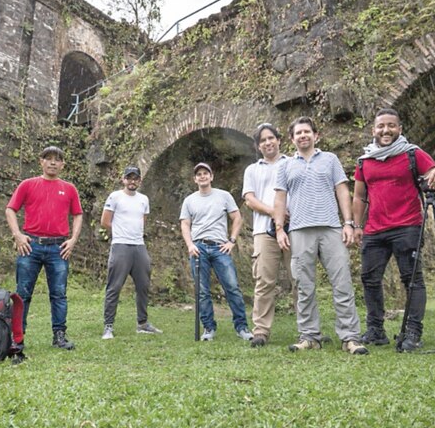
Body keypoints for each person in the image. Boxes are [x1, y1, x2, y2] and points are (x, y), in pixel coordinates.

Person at [352, 108, 435, 351]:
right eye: (381, 126)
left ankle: (412, 332)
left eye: (391, 126)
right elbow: (358, 196)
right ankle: (376, 330)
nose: (386, 130)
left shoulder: (412, 154)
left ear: (400, 129)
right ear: (373, 130)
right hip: (374, 230)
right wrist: (356, 225)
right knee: (370, 279)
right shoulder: (365, 161)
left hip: (407, 226)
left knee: (412, 280)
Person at [273, 117, 368, 355]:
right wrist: (279, 228)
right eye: (298, 133)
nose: (303, 136)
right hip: (299, 230)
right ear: (292, 139)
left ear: (316, 135)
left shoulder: (330, 160)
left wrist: (348, 223)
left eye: (307, 132)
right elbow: (280, 198)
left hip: (330, 228)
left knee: (342, 283)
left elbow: (342, 191)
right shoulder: (285, 166)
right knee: (304, 286)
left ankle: (350, 337)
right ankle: (309, 336)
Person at [5, 145, 83, 350]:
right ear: (41, 161)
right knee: (22, 293)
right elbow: (10, 209)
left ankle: (59, 336)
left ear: (63, 164)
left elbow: (78, 214)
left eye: (57, 159)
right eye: (48, 158)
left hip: (59, 247)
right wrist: (18, 235)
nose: (53, 162)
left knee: (59, 293)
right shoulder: (28, 185)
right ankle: (17, 338)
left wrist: (73, 239)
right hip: (30, 246)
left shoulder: (69, 189)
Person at [180, 162, 253, 341]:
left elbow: (237, 218)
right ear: (195, 179)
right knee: (202, 291)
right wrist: (190, 245)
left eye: (206, 173)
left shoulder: (224, 196)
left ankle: (242, 327)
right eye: (199, 174)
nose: (202, 176)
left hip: (220, 247)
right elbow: (185, 224)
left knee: (232, 287)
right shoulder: (189, 200)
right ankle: (208, 328)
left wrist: (232, 241)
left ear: (211, 176)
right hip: (199, 248)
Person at [242, 123, 296, 348]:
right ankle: (261, 331)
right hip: (264, 230)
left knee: (300, 278)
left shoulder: (292, 163)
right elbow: (250, 199)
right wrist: (274, 212)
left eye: (271, 138)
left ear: (279, 140)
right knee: (264, 281)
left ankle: (308, 330)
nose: (268, 143)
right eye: (263, 140)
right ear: (258, 146)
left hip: (294, 228)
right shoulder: (253, 170)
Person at [99, 166, 162, 339]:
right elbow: (105, 221)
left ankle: (142, 323)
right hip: (121, 245)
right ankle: (108, 326)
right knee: (114, 286)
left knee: (143, 285)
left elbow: (142, 220)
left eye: (135, 178)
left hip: (139, 246)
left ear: (139, 181)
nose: (132, 181)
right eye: (129, 178)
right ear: (123, 179)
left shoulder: (143, 199)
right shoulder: (115, 196)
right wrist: (121, 230)